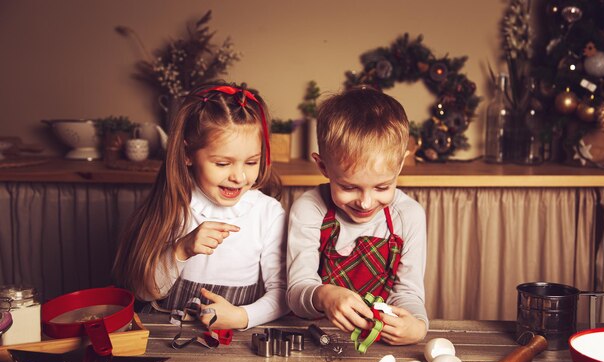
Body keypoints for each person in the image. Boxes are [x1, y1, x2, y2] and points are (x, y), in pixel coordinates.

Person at [113, 82, 289, 330]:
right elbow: (144, 292)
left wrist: (242, 316)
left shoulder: (268, 213)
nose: (238, 177)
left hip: (236, 341)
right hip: (165, 334)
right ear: (188, 155)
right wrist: (181, 250)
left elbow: (283, 294)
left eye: (251, 162)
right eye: (222, 163)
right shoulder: (175, 205)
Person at [286, 86, 428, 345]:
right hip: (315, 338)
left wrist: (417, 326)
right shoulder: (309, 209)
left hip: (377, 345)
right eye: (349, 187)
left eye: (382, 187)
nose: (365, 202)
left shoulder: (409, 216)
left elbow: (408, 293)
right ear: (322, 166)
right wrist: (324, 296)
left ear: (400, 165)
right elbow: (296, 292)